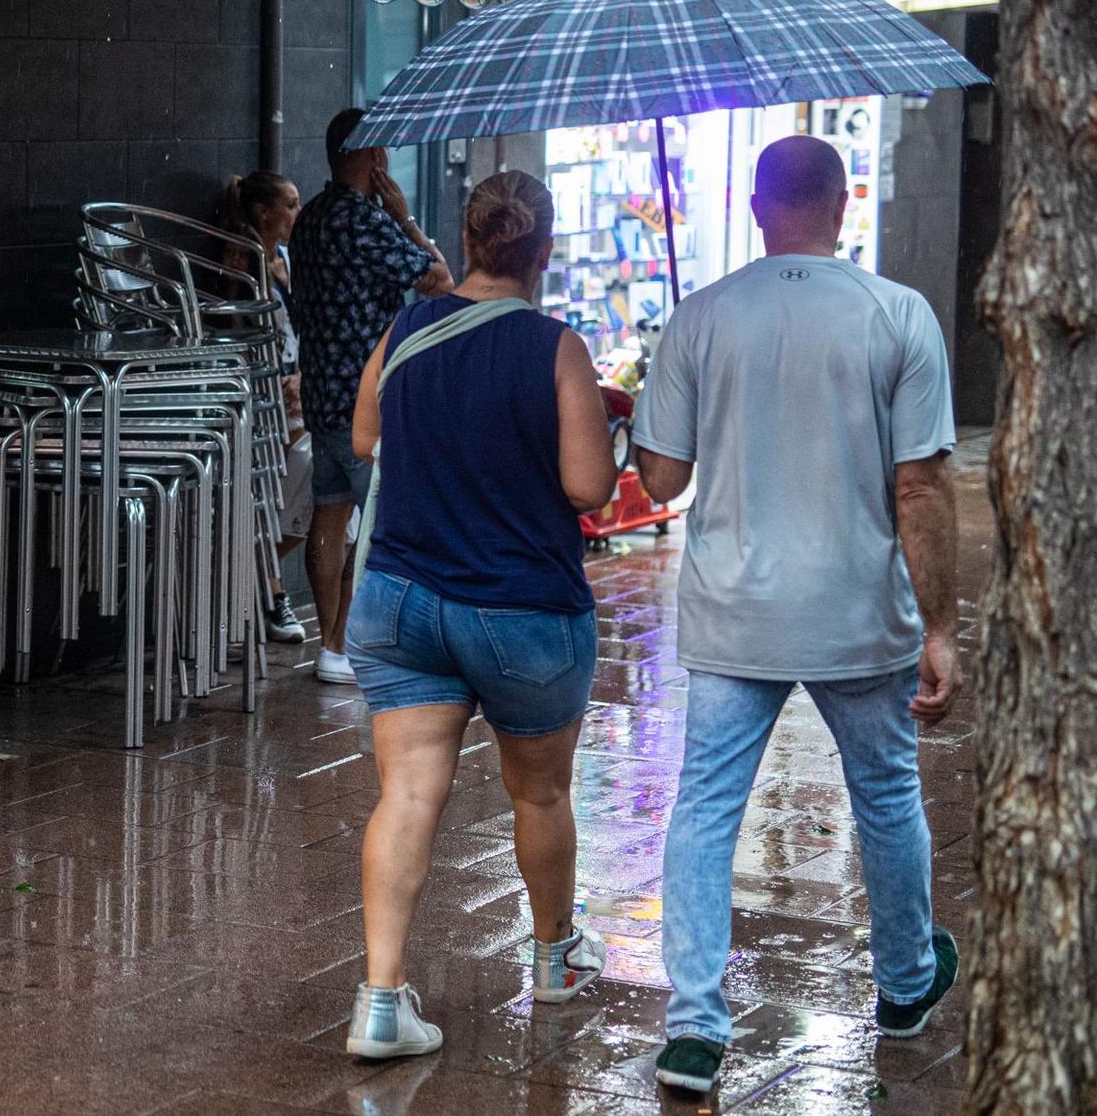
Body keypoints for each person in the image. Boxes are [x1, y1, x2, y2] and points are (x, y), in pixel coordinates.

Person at [633, 136, 961, 1094]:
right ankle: (903, 984)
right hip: (859, 613)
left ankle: (694, 1026)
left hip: (736, 613)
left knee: (704, 809)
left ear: (755, 204)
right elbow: (922, 490)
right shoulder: (897, 314)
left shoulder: (700, 317)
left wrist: (671, 403)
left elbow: (661, 478)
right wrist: (939, 626)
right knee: (887, 794)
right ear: (844, 202)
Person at [340, 171, 617, 1059]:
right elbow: (587, 486)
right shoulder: (555, 347)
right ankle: (553, 961)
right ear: (543, 251)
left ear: (467, 238)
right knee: (539, 789)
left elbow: (363, 437)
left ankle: (380, 1003)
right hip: (521, 609)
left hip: (402, 600)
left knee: (408, 792)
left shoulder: (409, 328)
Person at [289, 108, 453, 685]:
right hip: (366, 398)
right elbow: (440, 280)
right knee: (382, 520)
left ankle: (330, 646)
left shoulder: (308, 218)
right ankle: (347, 643)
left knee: (330, 515)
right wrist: (405, 218)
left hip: (320, 386)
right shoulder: (366, 220)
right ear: (373, 155)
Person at [220, 170, 309, 644]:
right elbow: (242, 331)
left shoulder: (287, 258)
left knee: (312, 485)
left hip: (294, 385)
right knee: (273, 486)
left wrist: (302, 372)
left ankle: (265, 576)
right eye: (290, 204)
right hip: (263, 393)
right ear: (263, 211)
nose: (297, 212)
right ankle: (270, 592)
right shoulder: (242, 259)